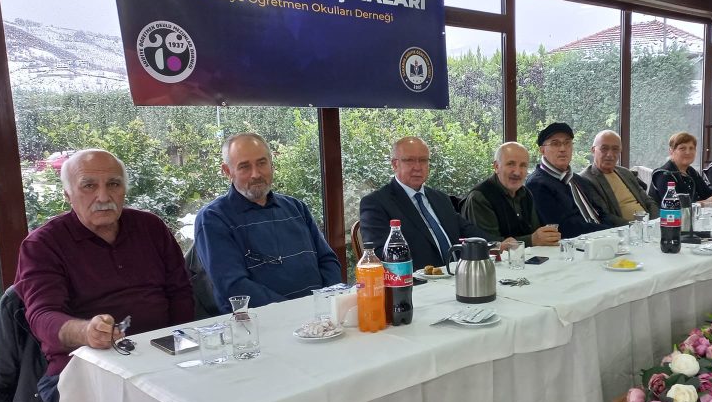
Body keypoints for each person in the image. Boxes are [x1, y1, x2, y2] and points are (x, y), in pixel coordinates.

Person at [14, 149, 194, 402]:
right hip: (85, 366)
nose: (103, 196)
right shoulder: (43, 245)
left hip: (161, 354)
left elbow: (180, 292)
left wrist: (179, 343)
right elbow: (42, 316)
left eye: (113, 184)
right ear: (68, 195)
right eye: (89, 186)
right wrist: (86, 332)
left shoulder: (150, 227)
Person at [194, 133, 342, 313]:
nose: (256, 174)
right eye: (244, 166)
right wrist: (296, 312)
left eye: (261, 163)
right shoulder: (213, 219)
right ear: (227, 171)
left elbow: (328, 261)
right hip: (259, 324)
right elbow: (233, 286)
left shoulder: (296, 208)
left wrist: (327, 302)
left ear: (272, 164)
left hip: (321, 317)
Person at [360, 137, 490, 270]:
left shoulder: (440, 198)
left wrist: (497, 244)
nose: (417, 167)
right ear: (394, 164)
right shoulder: (376, 203)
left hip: (460, 272)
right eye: (409, 160)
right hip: (418, 278)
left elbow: (469, 230)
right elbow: (380, 255)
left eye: (423, 160)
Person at [525, 122, 616, 238]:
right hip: (573, 244)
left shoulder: (577, 179)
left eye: (567, 143)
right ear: (542, 150)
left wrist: (615, 230)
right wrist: (608, 231)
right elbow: (564, 228)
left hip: (601, 237)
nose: (563, 149)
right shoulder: (537, 184)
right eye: (555, 144)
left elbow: (600, 212)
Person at [462, 142, 561, 247]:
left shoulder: (526, 193)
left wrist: (546, 237)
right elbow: (490, 245)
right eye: (511, 164)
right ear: (496, 167)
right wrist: (531, 240)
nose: (517, 172)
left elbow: (535, 232)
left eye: (523, 165)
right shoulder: (480, 197)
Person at [579, 130, 660, 225]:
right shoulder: (586, 179)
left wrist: (655, 222)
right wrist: (636, 227)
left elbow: (648, 201)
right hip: (623, 229)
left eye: (615, 149)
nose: (610, 154)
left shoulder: (625, 173)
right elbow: (604, 216)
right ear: (593, 150)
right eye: (604, 148)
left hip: (648, 226)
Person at [648, 131, 712, 205]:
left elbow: (707, 194)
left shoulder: (691, 172)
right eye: (682, 148)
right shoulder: (663, 174)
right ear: (671, 151)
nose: (688, 152)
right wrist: (704, 203)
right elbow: (674, 204)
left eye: (691, 148)